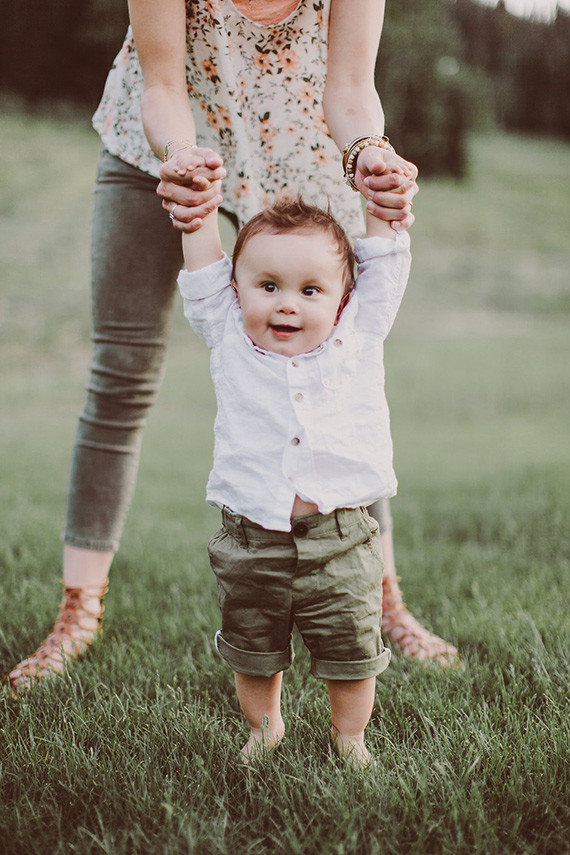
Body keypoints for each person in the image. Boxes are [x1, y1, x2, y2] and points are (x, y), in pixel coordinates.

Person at [3, 0, 457, 692]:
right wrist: (180, 160)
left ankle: (381, 598)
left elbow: (351, 88)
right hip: (160, 143)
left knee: (342, 372)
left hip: (305, 149)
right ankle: (78, 609)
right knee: (121, 373)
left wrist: (369, 154)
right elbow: (163, 85)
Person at [178, 191, 410, 766]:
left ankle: (350, 739)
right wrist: (197, 213)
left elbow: (383, 261)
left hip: (341, 537)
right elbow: (204, 270)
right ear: (237, 292)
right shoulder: (228, 334)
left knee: (353, 650)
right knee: (253, 649)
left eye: (310, 291)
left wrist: (381, 192)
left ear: (343, 300)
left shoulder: (358, 335)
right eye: (268, 286)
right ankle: (264, 730)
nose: (286, 305)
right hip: (251, 538)